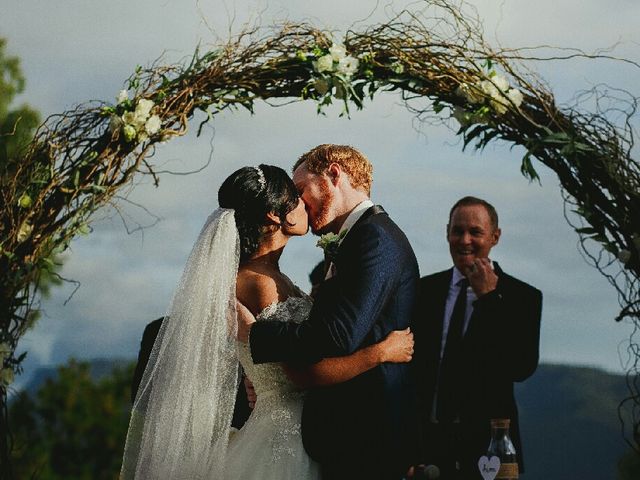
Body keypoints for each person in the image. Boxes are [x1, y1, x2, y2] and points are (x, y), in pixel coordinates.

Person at [120, 164, 415, 479]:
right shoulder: (260, 283)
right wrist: (380, 353)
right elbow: (302, 374)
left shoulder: (274, 277)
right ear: (276, 215)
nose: (306, 204)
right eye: (297, 196)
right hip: (285, 442)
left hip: (302, 429)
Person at [245, 145, 421, 480]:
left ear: (333, 175)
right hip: (345, 433)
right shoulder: (353, 240)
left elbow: (336, 335)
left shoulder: (375, 238)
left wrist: (255, 334)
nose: (297, 205)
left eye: (300, 191)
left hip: (368, 434)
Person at [413, 196, 542, 479]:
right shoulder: (425, 291)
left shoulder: (523, 298)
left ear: (495, 237)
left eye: (476, 232)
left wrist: (489, 299)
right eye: (457, 231)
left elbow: (521, 367)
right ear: (447, 232)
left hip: (491, 447)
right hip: (430, 446)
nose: (465, 240)